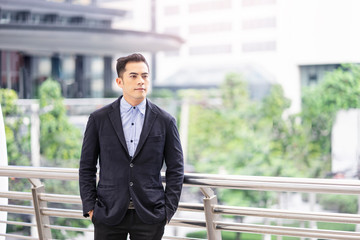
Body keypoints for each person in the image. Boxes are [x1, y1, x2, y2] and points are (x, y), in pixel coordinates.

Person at [79, 53, 184, 240]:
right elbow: (87, 166)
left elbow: (176, 169)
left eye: (144, 76)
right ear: (119, 82)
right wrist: (90, 207)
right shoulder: (98, 119)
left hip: (150, 215)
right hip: (108, 214)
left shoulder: (165, 121)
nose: (141, 81)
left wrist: (168, 211)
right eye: (133, 76)